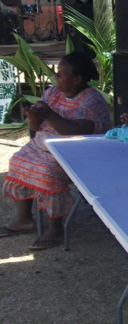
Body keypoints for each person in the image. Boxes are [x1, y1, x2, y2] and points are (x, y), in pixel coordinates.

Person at [1, 52, 111, 250]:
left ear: (77, 79)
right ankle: (24, 219)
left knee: (47, 172)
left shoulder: (91, 100)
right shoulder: (53, 93)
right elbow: (35, 128)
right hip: (43, 147)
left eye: (61, 74)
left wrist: (49, 114)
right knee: (17, 160)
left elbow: (77, 133)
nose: (56, 77)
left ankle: (55, 229)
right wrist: (33, 116)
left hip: (75, 153)